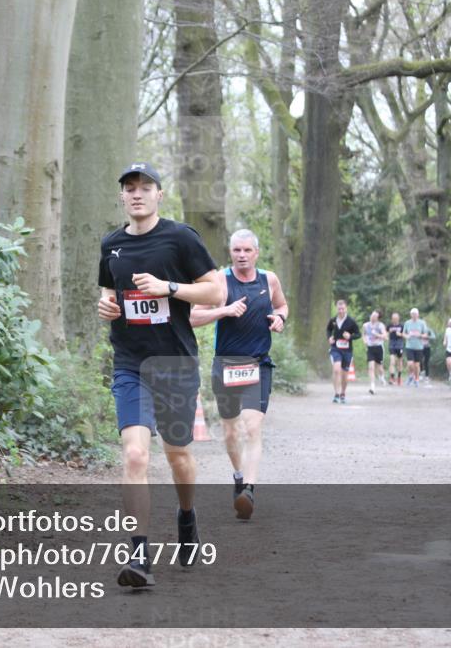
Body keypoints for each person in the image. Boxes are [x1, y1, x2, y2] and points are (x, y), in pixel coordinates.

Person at [97, 161, 222, 588]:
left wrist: (169, 288)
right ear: (122, 196)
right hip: (131, 362)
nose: (137, 194)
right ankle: (139, 557)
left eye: (145, 187)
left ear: (158, 194)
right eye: (129, 187)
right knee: (134, 455)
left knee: (178, 456)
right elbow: (108, 293)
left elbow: (216, 290)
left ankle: (187, 517)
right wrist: (106, 306)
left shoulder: (180, 238)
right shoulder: (110, 244)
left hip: (175, 363)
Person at [190, 229, 289, 520]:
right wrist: (223, 311)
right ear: (230, 253)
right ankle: (238, 477)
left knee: (252, 427)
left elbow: (282, 305)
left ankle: (249, 489)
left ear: (256, 253)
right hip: (227, 365)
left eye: (247, 250)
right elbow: (193, 317)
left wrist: (280, 318)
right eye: (237, 251)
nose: (242, 255)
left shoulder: (268, 279)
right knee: (231, 431)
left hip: (259, 364)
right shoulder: (220, 280)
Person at [326, 300, 360, 403]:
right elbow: (328, 330)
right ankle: (336, 394)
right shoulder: (333, 320)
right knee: (336, 369)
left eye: (343, 309)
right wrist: (329, 338)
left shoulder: (351, 321)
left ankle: (343, 394)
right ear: (337, 308)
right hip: (335, 348)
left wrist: (350, 336)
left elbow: (358, 334)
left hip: (347, 351)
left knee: (345, 374)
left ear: (346, 309)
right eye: (339, 309)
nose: (341, 311)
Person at [362, 310, 388, 394]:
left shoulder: (380, 326)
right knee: (371, 367)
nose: (372, 316)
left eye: (374, 316)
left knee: (379, 367)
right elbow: (364, 334)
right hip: (370, 348)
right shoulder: (365, 325)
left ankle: (382, 377)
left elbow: (385, 337)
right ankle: (372, 386)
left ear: (377, 318)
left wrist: (377, 335)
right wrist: (365, 341)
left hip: (379, 347)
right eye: (372, 314)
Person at [402, 308, 428, 386]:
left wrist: (419, 335)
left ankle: (416, 378)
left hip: (419, 347)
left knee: (417, 365)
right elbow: (403, 333)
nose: (414, 315)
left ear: (418, 315)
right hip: (409, 346)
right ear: (411, 315)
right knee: (410, 363)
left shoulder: (422, 323)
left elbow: (426, 335)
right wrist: (407, 336)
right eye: (412, 314)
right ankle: (411, 375)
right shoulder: (407, 323)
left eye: (415, 314)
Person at [386, 312, 405, 385]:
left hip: (399, 344)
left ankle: (399, 377)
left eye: (396, 318)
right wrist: (387, 335)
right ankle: (392, 377)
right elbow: (386, 334)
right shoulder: (389, 326)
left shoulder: (401, 326)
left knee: (399, 361)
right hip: (392, 344)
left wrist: (400, 334)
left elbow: (405, 335)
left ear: (398, 318)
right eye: (393, 318)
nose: (394, 320)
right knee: (392, 361)